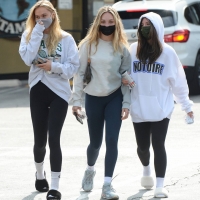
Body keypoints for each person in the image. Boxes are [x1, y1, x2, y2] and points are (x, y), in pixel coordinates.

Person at [126, 12, 194, 198]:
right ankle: (146, 170)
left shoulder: (168, 53)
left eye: (149, 24)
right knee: (142, 147)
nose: (145, 27)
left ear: (157, 28)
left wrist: (186, 106)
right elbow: (123, 74)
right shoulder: (132, 50)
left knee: (158, 144)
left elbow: (178, 82)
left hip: (161, 108)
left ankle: (160, 185)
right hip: (139, 107)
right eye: (143, 24)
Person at [19, 1, 79, 199]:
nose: (41, 19)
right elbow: (28, 59)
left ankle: (54, 187)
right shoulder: (28, 35)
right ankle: (39, 174)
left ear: (53, 15)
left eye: (44, 15)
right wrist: (37, 32)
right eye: (37, 16)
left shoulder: (66, 39)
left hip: (59, 93)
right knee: (39, 141)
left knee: (54, 138)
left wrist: (53, 66)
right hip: (37, 90)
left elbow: (73, 68)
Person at [72, 6, 131, 200]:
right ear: (98, 23)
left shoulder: (122, 47)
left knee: (112, 140)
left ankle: (107, 185)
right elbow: (79, 75)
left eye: (111, 22)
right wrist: (77, 101)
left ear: (116, 23)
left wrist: (126, 104)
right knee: (95, 143)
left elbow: (125, 76)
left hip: (114, 97)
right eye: (103, 22)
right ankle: (90, 169)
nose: (107, 25)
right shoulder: (88, 45)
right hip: (93, 98)